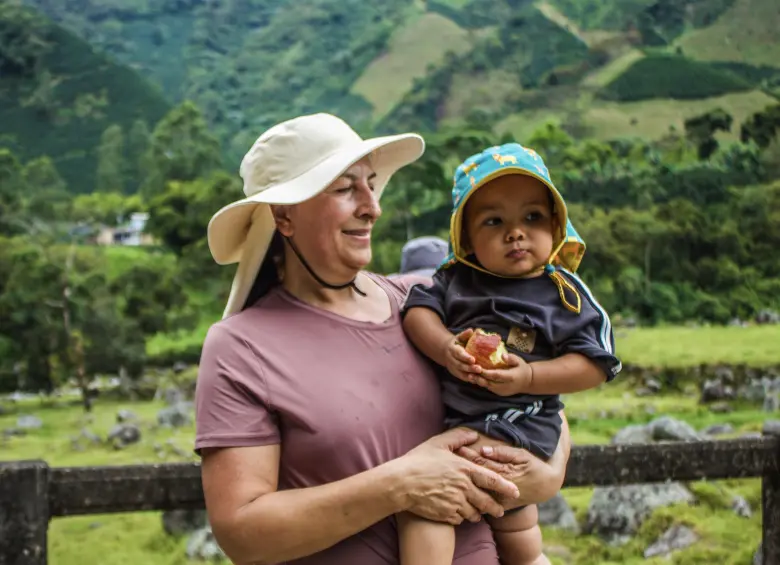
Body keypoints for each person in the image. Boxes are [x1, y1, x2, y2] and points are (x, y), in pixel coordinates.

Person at [194, 113, 573, 565]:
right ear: (284, 217)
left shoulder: (426, 303)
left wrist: (546, 475)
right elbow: (242, 532)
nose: (371, 206)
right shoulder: (241, 347)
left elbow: (543, 407)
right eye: (344, 188)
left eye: (370, 184)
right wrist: (401, 485)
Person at [400, 143, 622, 565]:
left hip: (522, 425)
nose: (515, 232)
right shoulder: (455, 279)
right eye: (494, 221)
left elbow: (594, 364)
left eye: (532, 217)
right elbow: (417, 312)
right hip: (465, 421)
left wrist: (529, 378)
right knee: (518, 529)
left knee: (423, 502)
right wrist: (447, 349)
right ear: (465, 236)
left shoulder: (565, 294)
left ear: (556, 225)